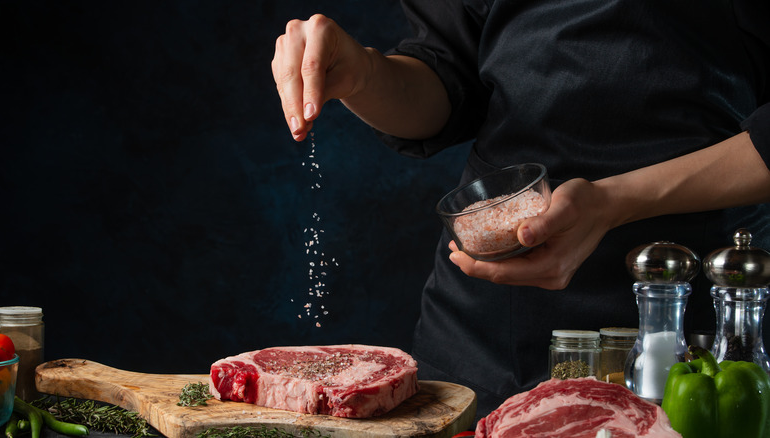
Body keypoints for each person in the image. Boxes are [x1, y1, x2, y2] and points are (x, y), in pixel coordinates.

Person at [272, 0, 770, 420]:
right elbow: (447, 73)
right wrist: (365, 74)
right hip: (491, 332)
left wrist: (612, 201)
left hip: (695, 319)